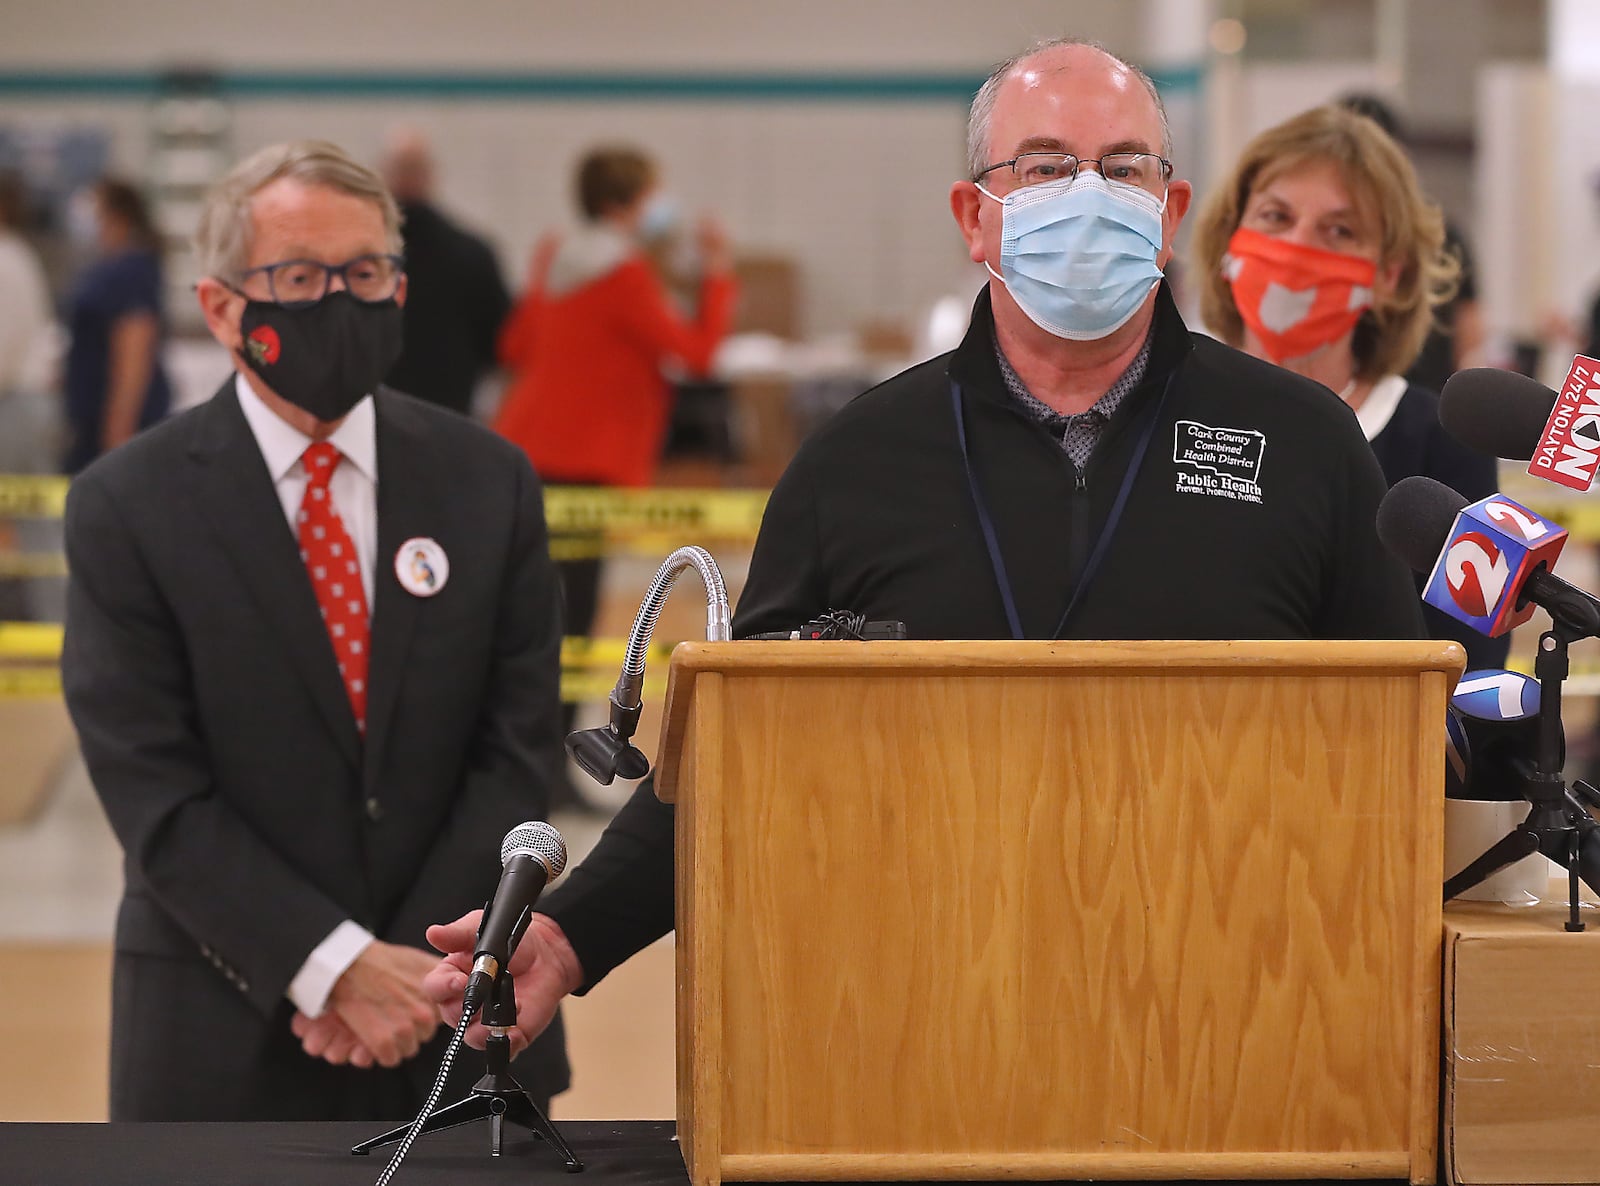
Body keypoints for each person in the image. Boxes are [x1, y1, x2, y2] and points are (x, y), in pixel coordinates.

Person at [422, 38, 1426, 1055]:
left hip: (1225, 1010)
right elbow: (736, 747)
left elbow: (1402, 745)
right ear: (972, 217)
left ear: (1169, 214)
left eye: (1123, 167)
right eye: (1041, 165)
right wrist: (571, 931)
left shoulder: (1301, 443)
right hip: (927, 1010)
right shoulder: (857, 459)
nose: (1087, 194)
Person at [60, 140, 569, 1121]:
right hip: (222, 1031)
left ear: (399, 286)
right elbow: (155, 791)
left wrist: (410, 972)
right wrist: (331, 965)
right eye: (299, 275)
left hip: (454, 1019)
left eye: (365, 272)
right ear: (220, 308)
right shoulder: (126, 505)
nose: (339, 299)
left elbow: (517, 751)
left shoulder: (488, 481)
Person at [1189, 103, 1506, 672]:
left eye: (1340, 230)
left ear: (1390, 276)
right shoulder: (1167, 410)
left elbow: (1473, 670)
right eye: (1275, 217)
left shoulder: (1446, 445)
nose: (1298, 248)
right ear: (1229, 243)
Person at [493, 146, 738, 813]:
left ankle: (540, 769)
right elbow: (696, 352)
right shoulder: (626, 272)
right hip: (585, 464)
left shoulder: (555, 255)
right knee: (568, 620)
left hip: (527, 452)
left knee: (541, 618)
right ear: (627, 203)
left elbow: (514, 347)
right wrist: (717, 272)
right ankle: (546, 776)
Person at [1335, 93, 1485, 394]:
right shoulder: (1440, 229)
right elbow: (1471, 329)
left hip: (1410, 395)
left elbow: (1469, 325)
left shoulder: (1437, 231)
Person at [379, 128, 511, 417]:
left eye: (411, 169)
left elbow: (500, 340)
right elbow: (497, 344)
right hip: (443, 408)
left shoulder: (364, 260)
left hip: (425, 407)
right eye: (404, 169)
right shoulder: (471, 251)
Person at [61, 176, 172, 473]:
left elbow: (134, 350)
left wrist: (119, 431)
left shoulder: (131, 269)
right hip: (91, 422)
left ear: (115, 214)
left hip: (118, 426)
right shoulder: (105, 267)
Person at [0, 171, 62, 621]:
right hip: (26, 401)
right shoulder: (17, 255)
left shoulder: (7, 257)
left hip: (16, 402)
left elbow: (6, 347)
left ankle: (54, 627)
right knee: (38, 526)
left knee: (37, 524)